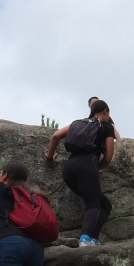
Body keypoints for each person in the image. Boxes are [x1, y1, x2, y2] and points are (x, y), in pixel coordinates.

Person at [45, 99, 115, 247]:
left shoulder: (78, 123)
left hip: (69, 169)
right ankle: (85, 238)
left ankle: (94, 238)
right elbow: (108, 157)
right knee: (93, 205)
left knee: (105, 205)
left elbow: (55, 136)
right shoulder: (107, 127)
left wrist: (50, 157)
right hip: (87, 165)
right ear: (105, 112)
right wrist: (97, 168)